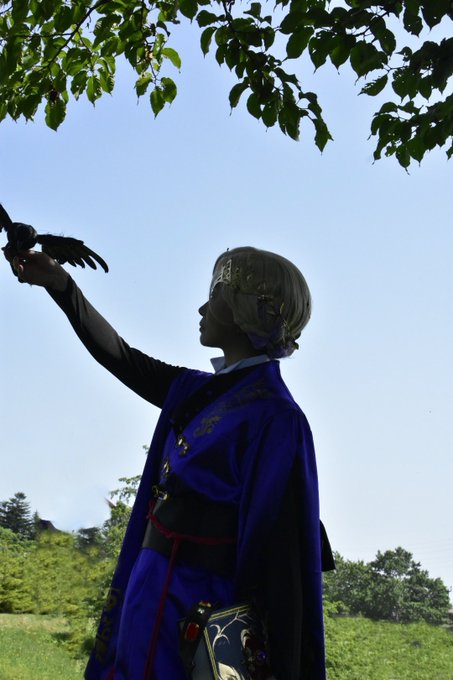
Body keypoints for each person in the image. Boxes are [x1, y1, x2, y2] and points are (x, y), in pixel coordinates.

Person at [6, 246, 333, 680]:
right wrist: (60, 284)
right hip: (147, 589)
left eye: (214, 296)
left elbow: (278, 561)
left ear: (245, 309)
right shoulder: (195, 391)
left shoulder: (276, 417)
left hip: (200, 613)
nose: (202, 308)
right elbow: (120, 356)